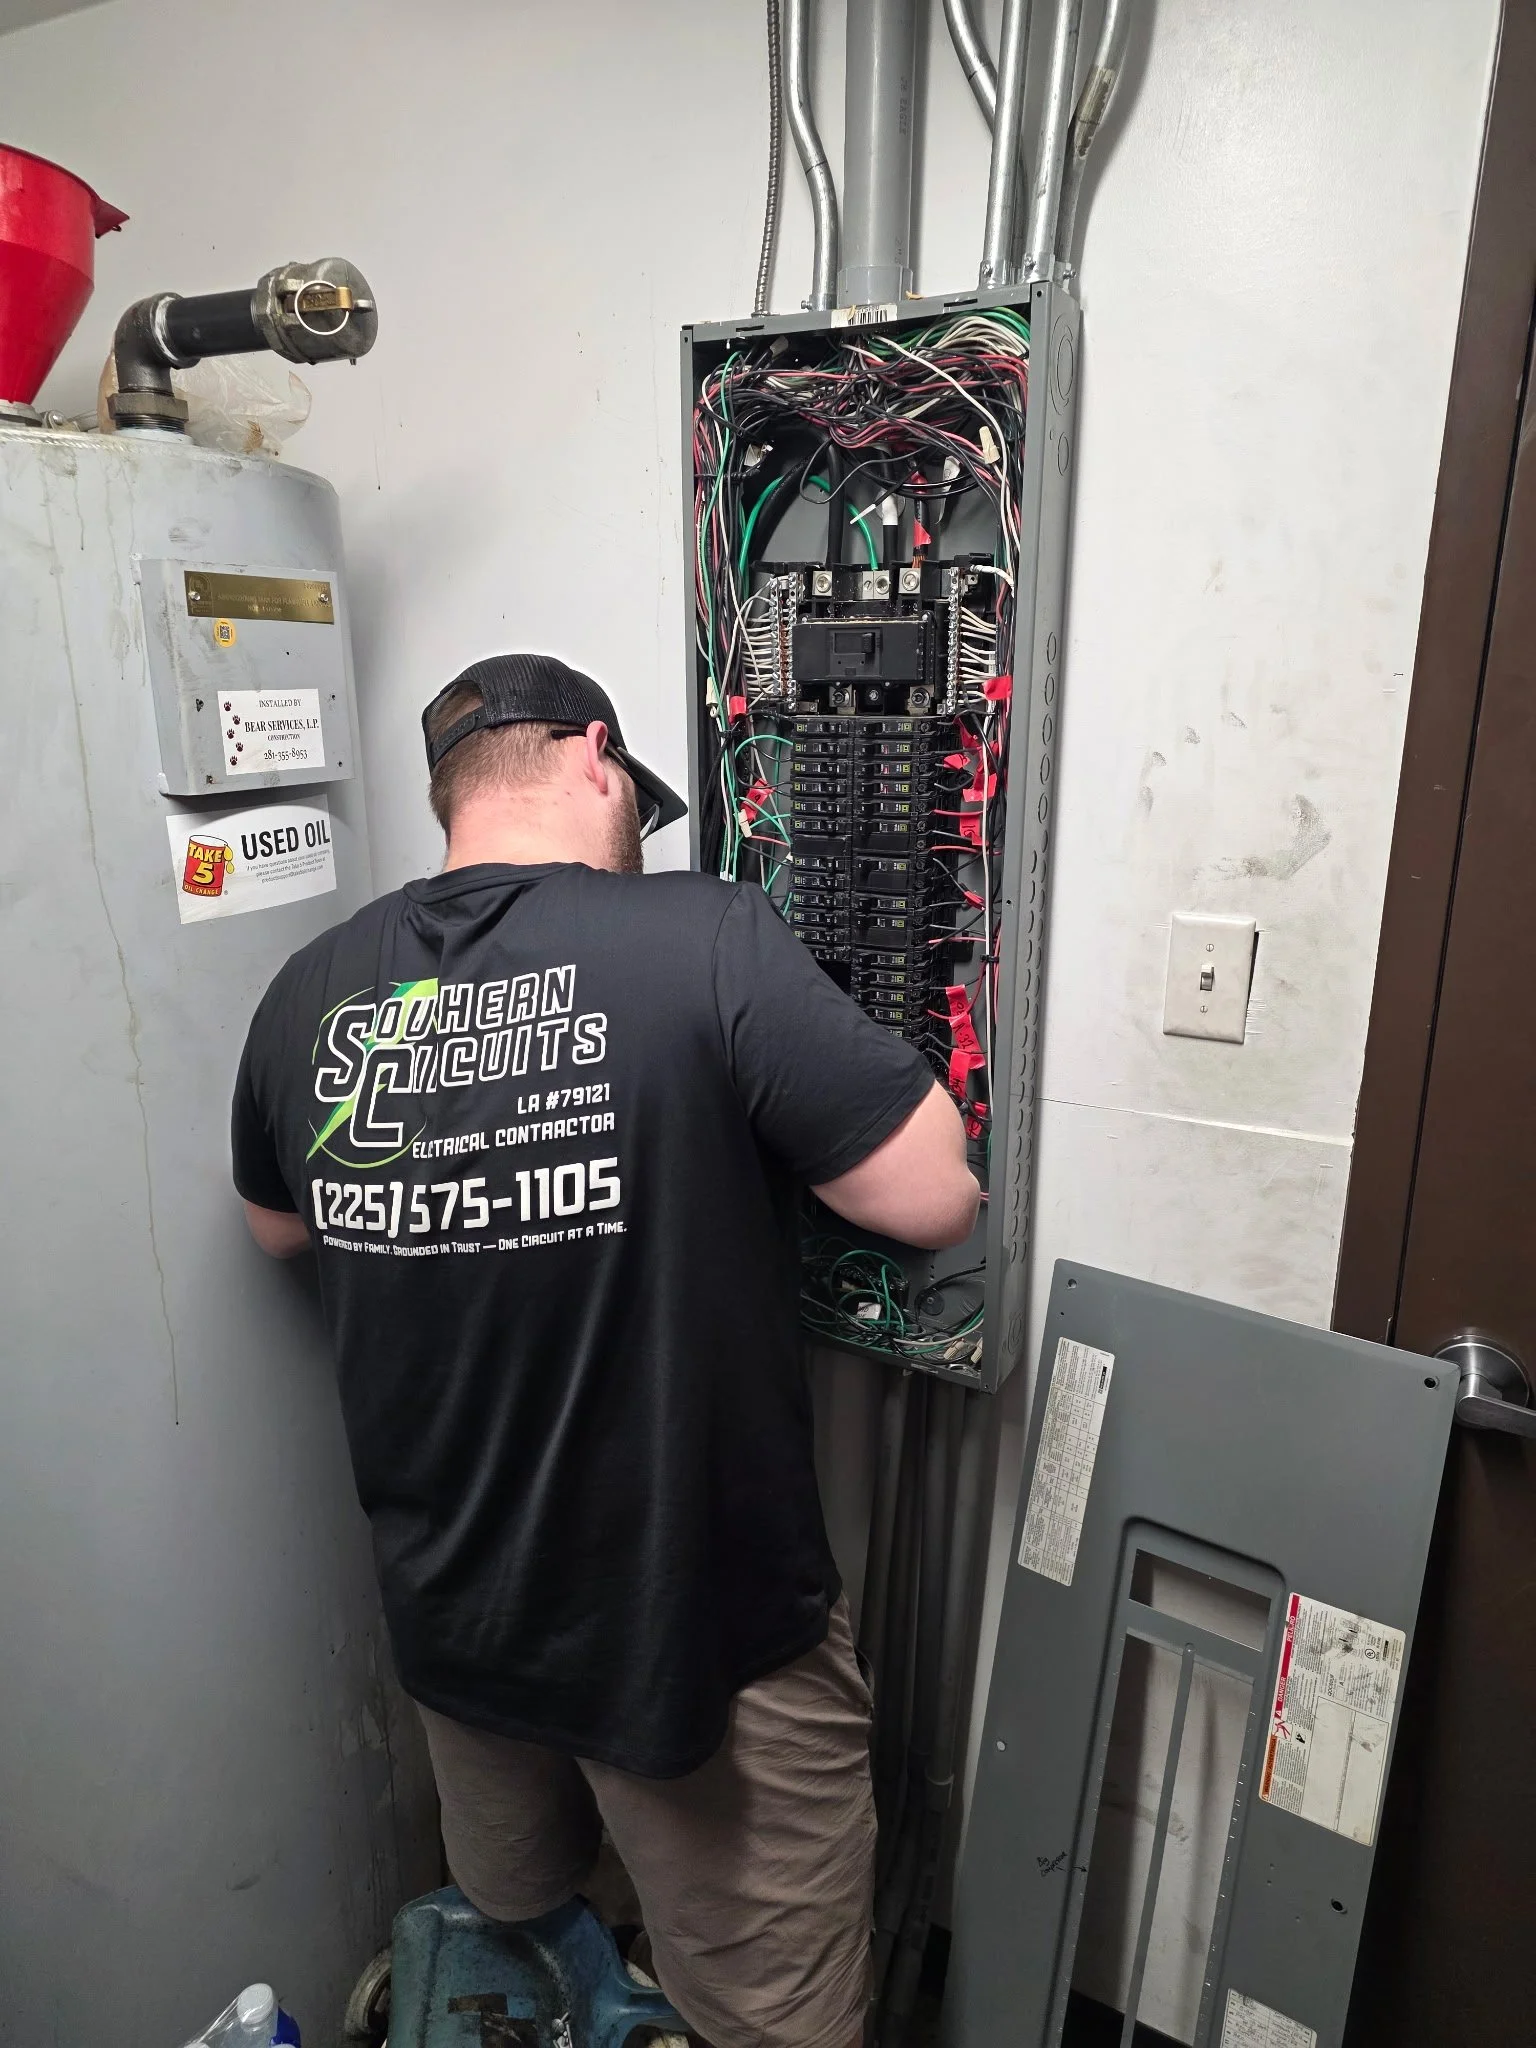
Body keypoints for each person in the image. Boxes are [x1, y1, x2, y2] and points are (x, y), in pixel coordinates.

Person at [233, 652, 979, 2048]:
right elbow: (936, 1195)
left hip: (460, 1610)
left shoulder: (310, 991)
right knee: (776, 2013)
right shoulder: (700, 937)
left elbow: (279, 1231)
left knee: (518, 1908)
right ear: (594, 759)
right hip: (690, 1635)